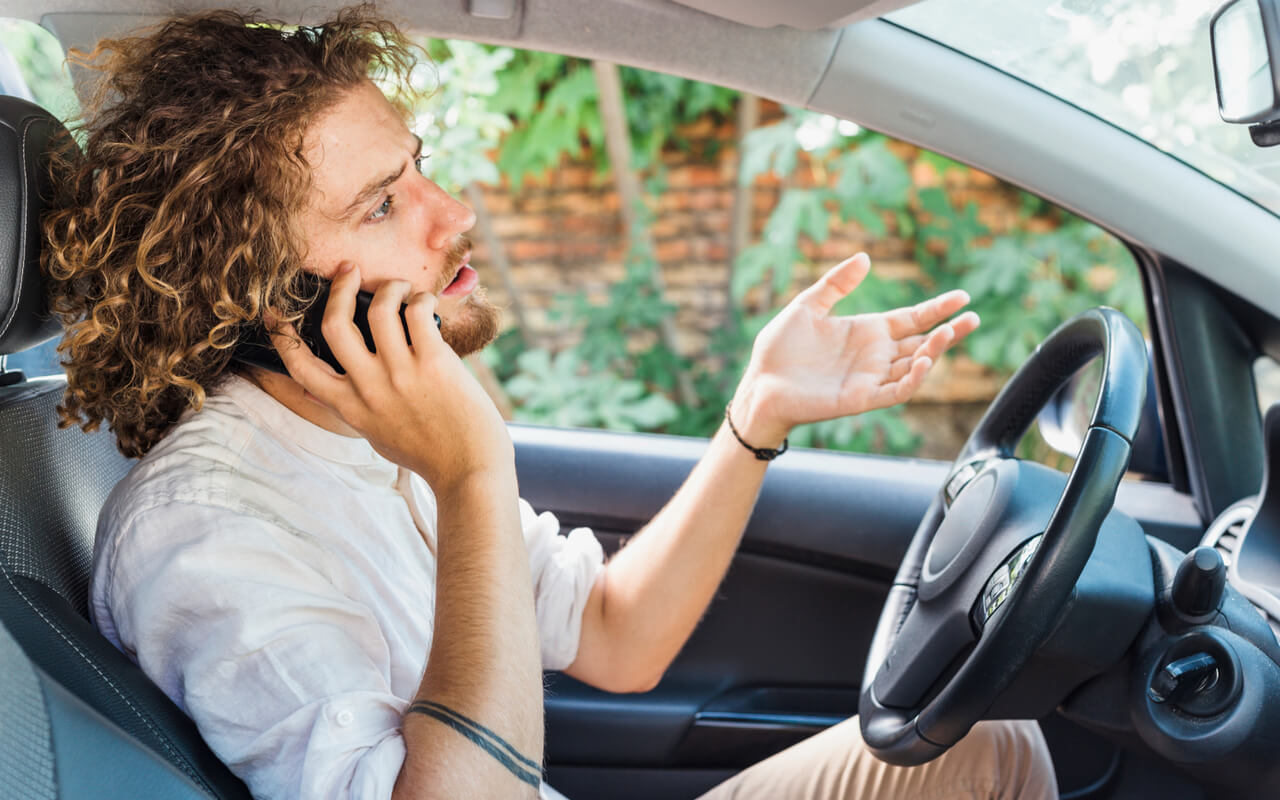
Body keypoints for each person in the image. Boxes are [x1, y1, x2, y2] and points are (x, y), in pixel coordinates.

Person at [42, 5, 1057, 799]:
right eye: (383, 203)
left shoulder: (374, 431)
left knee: (988, 750)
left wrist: (759, 410)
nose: (456, 214)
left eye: (420, 167)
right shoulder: (205, 527)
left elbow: (618, 635)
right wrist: (472, 469)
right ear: (255, 288)